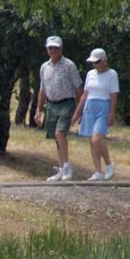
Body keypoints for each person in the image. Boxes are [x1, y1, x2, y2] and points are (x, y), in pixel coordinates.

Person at [34, 35, 83, 181]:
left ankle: (67, 167)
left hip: (66, 102)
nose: (53, 50)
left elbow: (78, 87)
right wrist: (39, 109)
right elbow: (42, 89)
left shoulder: (69, 65)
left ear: (61, 49)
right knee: (56, 137)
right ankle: (61, 168)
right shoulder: (44, 67)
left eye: (56, 48)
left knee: (60, 132)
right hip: (52, 104)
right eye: (50, 48)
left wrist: (79, 110)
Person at [73, 47, 120, 180]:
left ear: (104, 60)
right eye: (93, 62)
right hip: (90, 105)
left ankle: (109, 164)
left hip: (104, 105)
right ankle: (97, 171)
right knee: (91, 141)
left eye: (97, 61)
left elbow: (113, 95)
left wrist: (112, 113)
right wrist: (77, 113)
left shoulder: (112, 74)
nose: (95, 64)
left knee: (97, 138)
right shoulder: (90, 74)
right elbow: (85, 94)